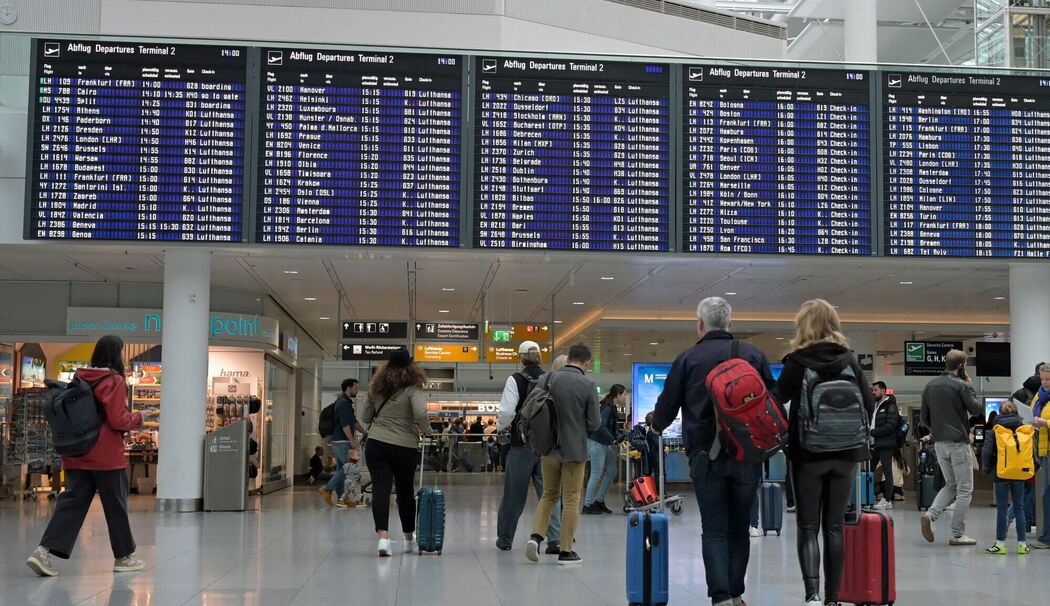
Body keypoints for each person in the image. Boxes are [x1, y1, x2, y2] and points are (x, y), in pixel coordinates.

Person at [653, 297, 777, 606]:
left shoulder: (688, 358)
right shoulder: (752, 354)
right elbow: (773, 401)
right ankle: (736, 595)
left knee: (715, 528)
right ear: (730, 324)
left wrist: (656, 425)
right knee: (739, 527)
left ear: (700, 325)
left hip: (704, 456)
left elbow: (666, 407)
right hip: (748, 454)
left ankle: (720, 597)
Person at [777, 299, 874, 606]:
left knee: (808, 526)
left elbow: (776, 400)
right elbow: (868, 404)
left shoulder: (797, 361)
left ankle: (813, 595)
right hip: (847, 453)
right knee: (834, 527)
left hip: (808, 453)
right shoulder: (850, 360)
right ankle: (833, 598)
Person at [26, 335, 146, 577]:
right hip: (106, 455)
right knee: (116, 505)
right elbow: (117, 419)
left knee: (72, 503)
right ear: (116, 354)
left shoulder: (81, 377)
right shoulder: (114, 380)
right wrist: (138, 418)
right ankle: (124, 557)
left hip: (78, 451)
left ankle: (43, 551)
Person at [527, 343, 600, 565]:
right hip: (574, 450)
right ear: (586, 362)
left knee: (549, 494)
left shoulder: (546, 379)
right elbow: (594, 423)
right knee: (571, 499)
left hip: (548, 447)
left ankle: (535, 537)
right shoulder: (587, 384)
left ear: (568, 358)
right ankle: (566, 551)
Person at [360, 349, 432, 557]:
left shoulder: (376, 387)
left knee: (381, 490)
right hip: (404, 446)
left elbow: (366, 415)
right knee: (404, 492)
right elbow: (420, 413)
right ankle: (409, 539)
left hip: (377, 443)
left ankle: (383, 539)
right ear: (411, 367)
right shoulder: (413, 387)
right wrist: (427, 430)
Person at [496, 341, 561, 552]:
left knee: (513, 496)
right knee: (549, 494)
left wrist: (501, 429)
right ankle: (555, 539)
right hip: (547, 447)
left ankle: (505, 539)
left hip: (521, 445)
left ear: (521, 358)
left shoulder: (515, 380)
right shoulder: (551, 379)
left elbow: (506, 412)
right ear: (540, 358)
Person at [919, 349, 983, 546]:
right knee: (965, 489)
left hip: (939, 444)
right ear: (961, 366)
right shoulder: (960, 385)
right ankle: (957, 533)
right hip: (958, 442)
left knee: (951, 485)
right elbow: (976, 409)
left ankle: (931, 515)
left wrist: (938, 431)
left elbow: (923, 419)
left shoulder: (930, 386)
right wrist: (970, 387)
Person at [981, 401, 1033, 555]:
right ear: (1016, 413)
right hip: (1020, 473)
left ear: (1000, 413)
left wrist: (988, 467)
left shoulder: (996, 430)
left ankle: (1000, 544)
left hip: (1001, 473)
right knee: (1019, 508)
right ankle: (1022, 545)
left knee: (1002, 510)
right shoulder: (1024, 429)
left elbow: (986, 452)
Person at [319, 378, 365, 508]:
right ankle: (327, 489)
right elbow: (345, 425)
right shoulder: (343, 403)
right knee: (349, 470)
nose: (357, 390)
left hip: (339, 441)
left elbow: (353, 422)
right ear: (348, 388)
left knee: (341, 469)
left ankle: (341, 498)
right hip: (342, 441)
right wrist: (352, 441)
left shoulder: (345, 403)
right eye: (355, 387)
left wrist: (365, 432)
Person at [583, 384, 626, 515]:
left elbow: (612, 427)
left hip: (604, 443)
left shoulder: (612, 407)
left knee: (612, 470)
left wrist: (619, 435)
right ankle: (587, 505)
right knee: (596, 473)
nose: (624, 397)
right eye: (623, 394)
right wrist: (613, 439)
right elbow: (600, 426)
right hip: (597, 442)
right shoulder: (607, 408)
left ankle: (599, 501)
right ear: (617, 395)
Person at [1027, 363, 1050, 549]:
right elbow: (1032, 412)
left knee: (1047, 493)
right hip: (1042, 449)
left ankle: (1047, 537)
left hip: (1048, 448)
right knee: (1044, 493)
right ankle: (1045, 535)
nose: (1045, 382)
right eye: (1042, 378)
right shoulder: (1039, 396)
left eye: (1048, 379)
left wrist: (1046, 423)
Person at [870, 381, 901, 511]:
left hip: (886, 443)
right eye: (873, 390)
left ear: (883, 391)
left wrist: (873, 432)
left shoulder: (890, 406)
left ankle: (887, 499)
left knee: (887, 471)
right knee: (869, 470)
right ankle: (867, 496)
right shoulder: (876, 406)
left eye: (876, 390)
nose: (873, 392)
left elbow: (890, 426)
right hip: (875, 443)